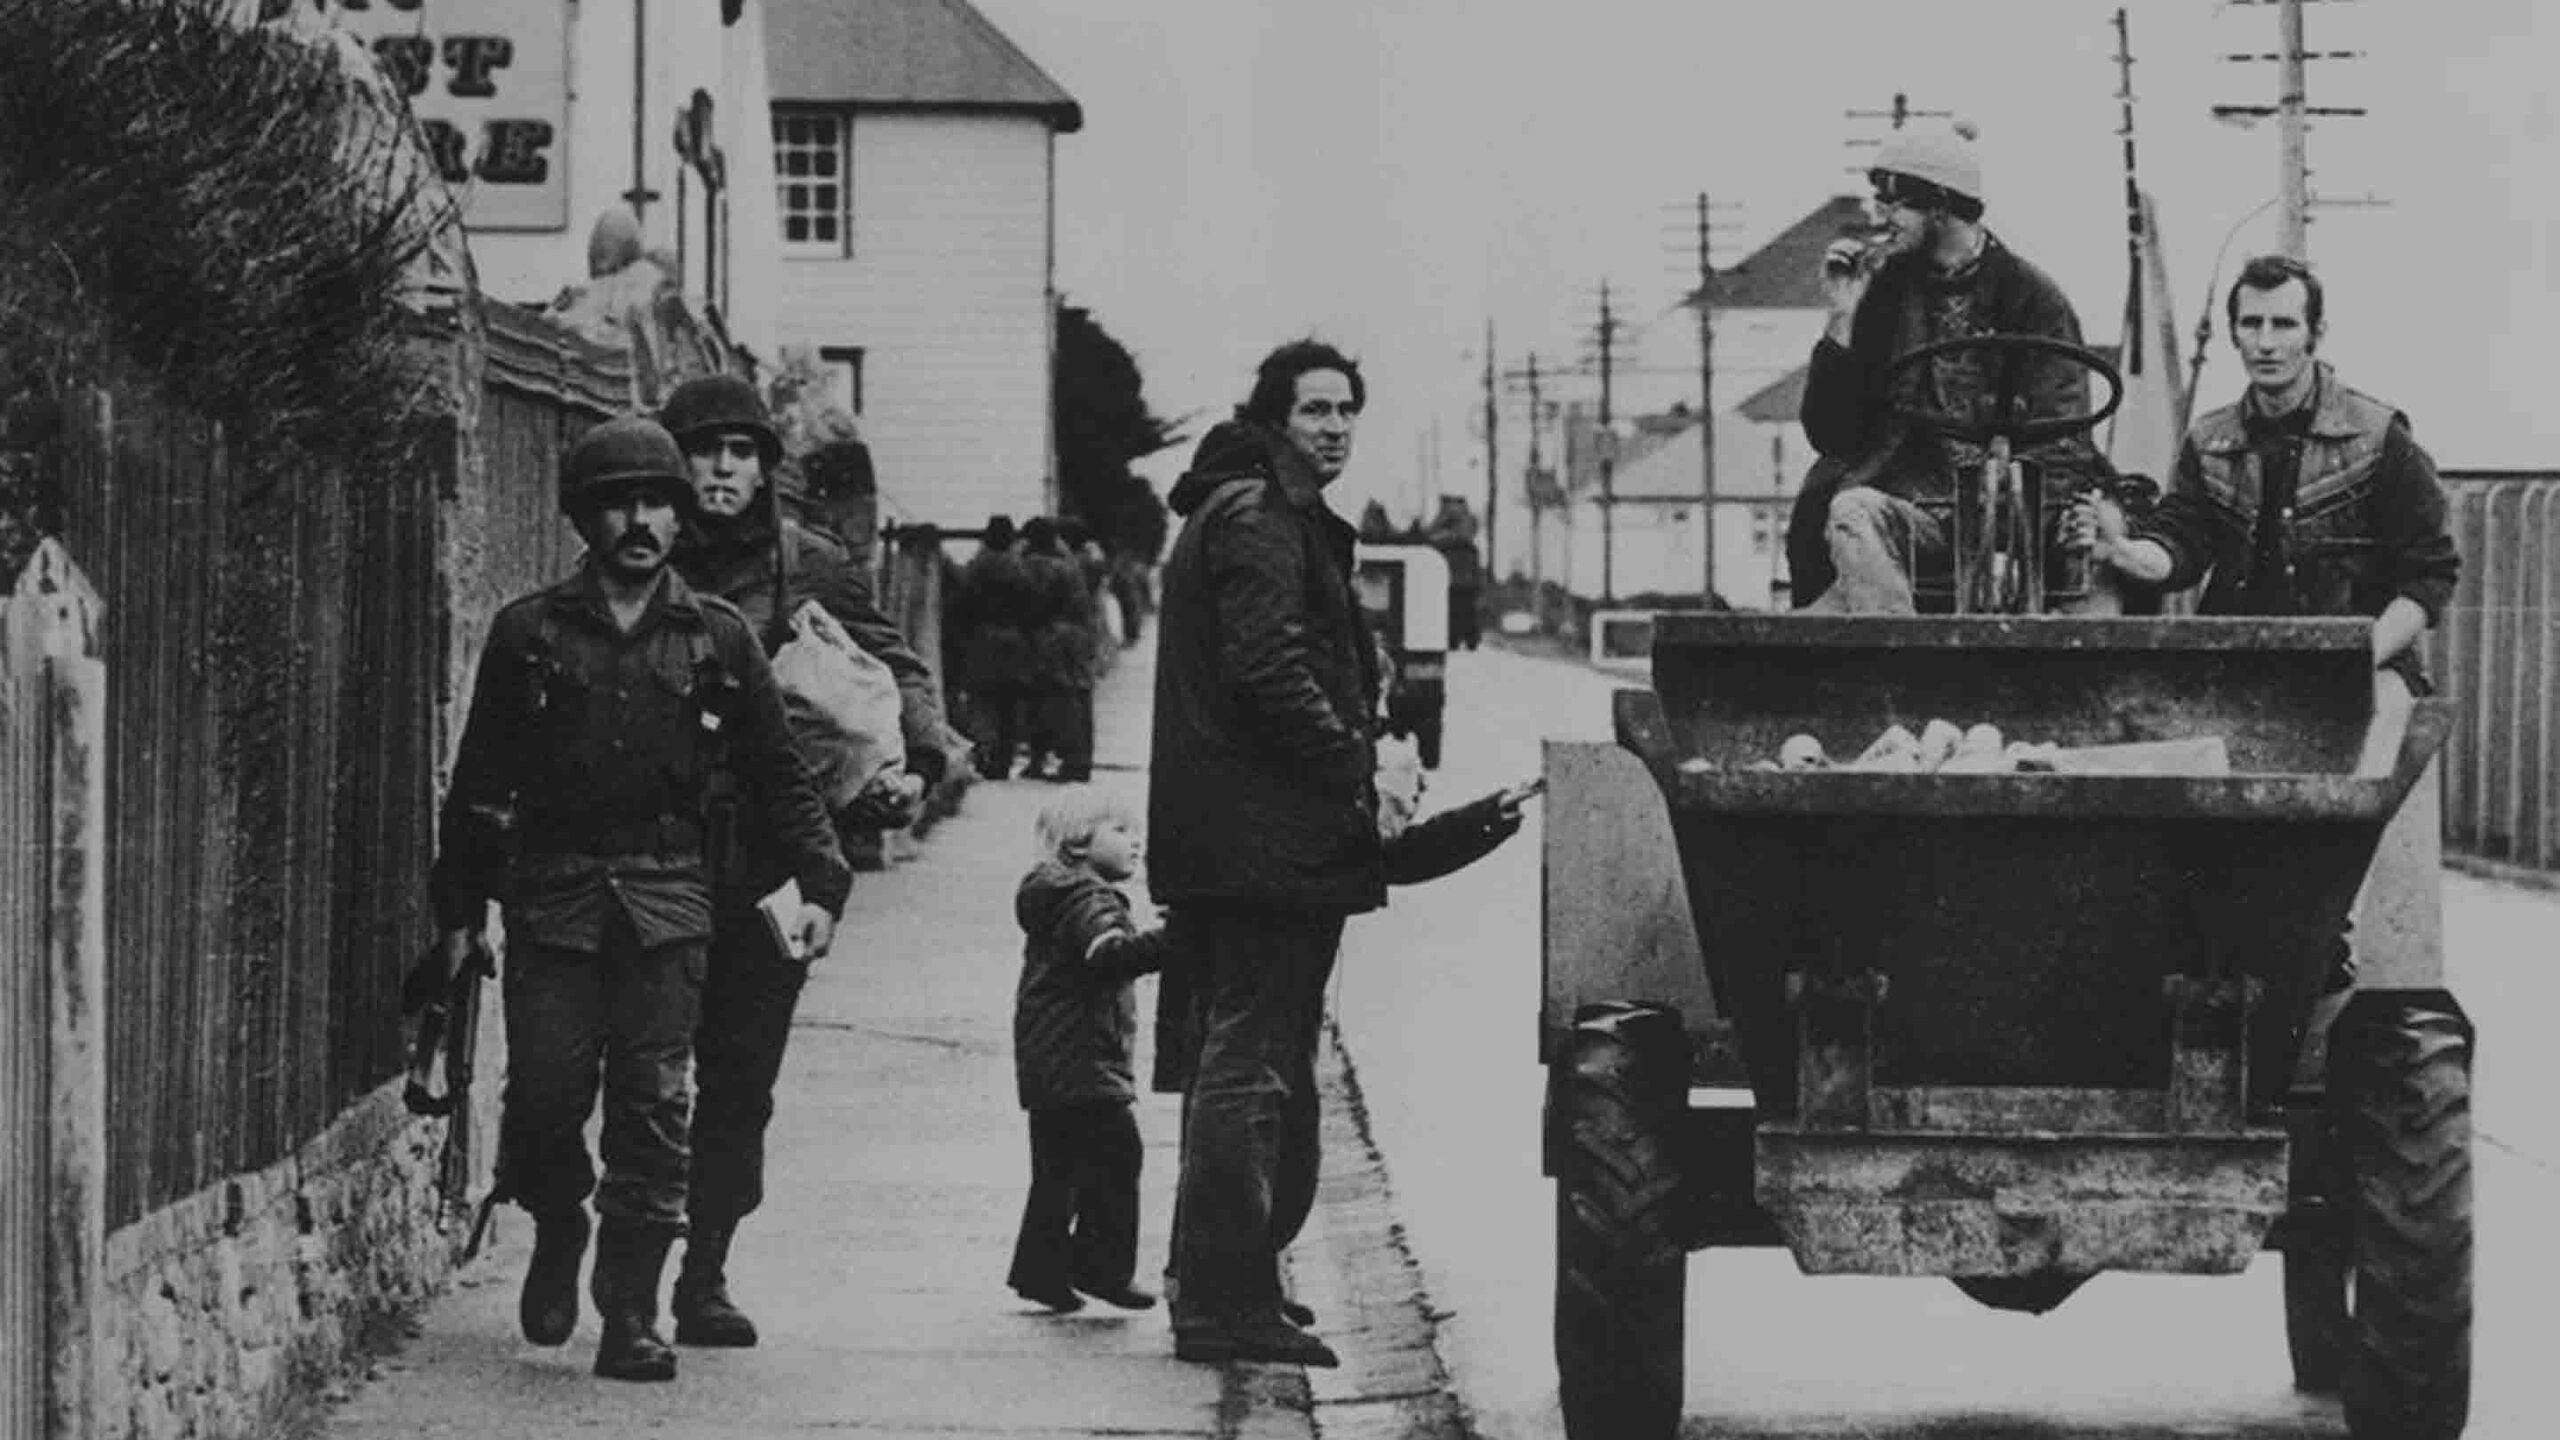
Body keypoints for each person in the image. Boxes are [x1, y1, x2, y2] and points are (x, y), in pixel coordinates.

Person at [427, 416, 849, 1382]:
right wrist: (457, 916)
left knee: (657, 1108)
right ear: (584, 516)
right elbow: (480, 780)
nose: (640, 521)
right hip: (554, 898)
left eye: (657, 501)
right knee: (543, 1095)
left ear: (679, 515)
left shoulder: (717, 638)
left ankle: (631, 1310)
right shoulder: (530, 633)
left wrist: (823, 881)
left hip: (668, 902)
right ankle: (558, 1223)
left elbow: (780, 776)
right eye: (619, 502)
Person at [1148, 339, 1535, 1367]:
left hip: (1246, 833)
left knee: (1251, 1057)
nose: (1333, 427)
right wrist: (1351, 774)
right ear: (1273, 417)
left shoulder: (1250, 509)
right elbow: (1269, 668)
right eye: (1313, 409)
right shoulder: (1257, 517)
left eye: (1345, 411)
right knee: (1251, 1064)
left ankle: (1223, 1289)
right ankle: (1224, 1304)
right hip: (1259, 838)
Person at [656, 373, 955, 1347]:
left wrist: (924, 756)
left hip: (775, 861)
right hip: (653, 852)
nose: (724, 469)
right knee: (643, 1075)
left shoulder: (809, 564)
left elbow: (890, 665)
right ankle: (620, 1255)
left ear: (766, 466)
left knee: (740, 1079)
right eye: (706, 450)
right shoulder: (635, 552)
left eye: (742, 451)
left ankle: (704, 1272)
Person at [2075, 255, 2459, 698]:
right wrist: (2125, 551)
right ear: (2233, 334)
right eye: (2251, 324)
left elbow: (2430, 574)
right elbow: (2182, 543)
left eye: (2284, 325)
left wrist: (2359, 659)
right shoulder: (2208, 440)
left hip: (2363, 668)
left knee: (2374, 749)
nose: (2265, 343)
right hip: (2235, 664)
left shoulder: (2380, 437)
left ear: (2316, 333)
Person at [1788, 120, 2103, 613]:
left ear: (1939, 204)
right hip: (1906, 509)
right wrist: (1844, 317)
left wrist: (2019, 516)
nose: (1881, 213)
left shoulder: (2032, 299)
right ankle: (1902, 660)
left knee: (2104, 534)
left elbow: (2064, 440)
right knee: (1847, 511)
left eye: (1894, 200)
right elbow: (1830, 436)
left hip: (2006, 509)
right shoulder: (1881, 291)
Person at [1005, 787, 1173, 1314]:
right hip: (1083, 1056)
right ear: (1078, 843)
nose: (1136, 843)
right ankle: (1101, 1267)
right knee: (1118, 1156)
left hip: (1051, 1055)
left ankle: (1042, 1269)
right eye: (1121, 832)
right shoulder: (1088, 899)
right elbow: (1110, 955)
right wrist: (1177, 940)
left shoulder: (1056, 893)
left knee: (1059, 1168)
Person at [957, 514, 1038, 779]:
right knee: (1009, 706)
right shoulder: (1020, 567)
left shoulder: (978, 565)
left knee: (983, 704)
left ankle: (985, 758)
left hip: (984, 639)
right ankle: (1004, 761)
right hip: (1014, 641)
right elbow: (1030, 604)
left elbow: (964, 602)